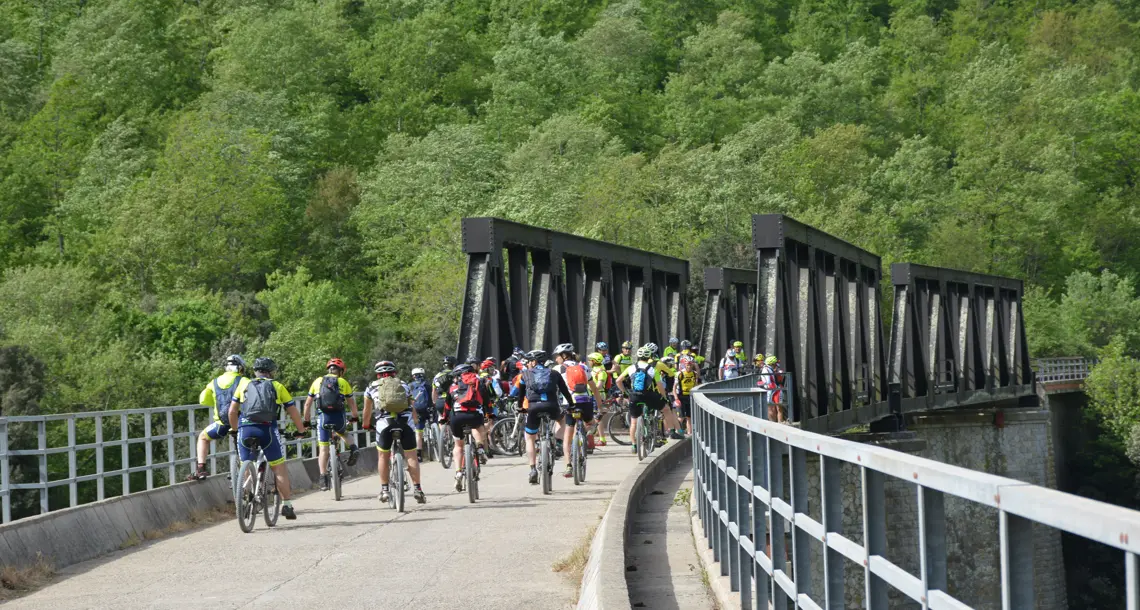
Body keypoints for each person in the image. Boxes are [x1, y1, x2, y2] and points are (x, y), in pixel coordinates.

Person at [227, 357, 307, 520]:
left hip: (245, 429)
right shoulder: (277, 386)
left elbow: (232, 412)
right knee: (279, 468)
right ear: (271, 372)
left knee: (246, 465)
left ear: (255, 371)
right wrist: (301, 430)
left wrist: (236, 430)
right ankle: (287, 505)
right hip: (267, 429)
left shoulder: (243, 384)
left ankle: (245, 494)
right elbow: (293, 411)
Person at [363, 361, 426, 504]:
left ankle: (385, 490)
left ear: (377, 374)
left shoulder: (371, 387)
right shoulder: (404, 385)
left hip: (384, 424)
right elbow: (412, 406)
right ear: (394, 373)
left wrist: (366, 425)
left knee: (383, 456)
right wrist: (415, 421)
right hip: (405, 423)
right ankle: (418, 489)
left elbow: (367, 411)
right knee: (411, 455)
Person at [511, 350, 574, 484]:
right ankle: (557, 441)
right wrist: (572, 405)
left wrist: (520, 407)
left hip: (533, 407)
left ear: (533, 362)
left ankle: (533, 469)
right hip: (552, 406)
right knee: (561, 420)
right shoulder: (554, 373)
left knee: (529, 438)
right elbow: (565, 391)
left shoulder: (525, 374)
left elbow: (521, 395)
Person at [302, 358, 360, 492]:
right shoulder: (342, 382)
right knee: (342, 432)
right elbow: (351, 403)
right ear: (341, 371)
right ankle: (353, 448)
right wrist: (355, 416)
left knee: (323, 449)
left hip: (323, 418)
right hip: (339, 417)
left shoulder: (317, 381)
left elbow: (307, 403)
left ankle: (323, 478)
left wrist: (306, 420)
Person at [187, 355, 247, 481]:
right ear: (240, 368)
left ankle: (201, 469)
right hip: (241, 424)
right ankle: (248, 481)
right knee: (247, 451)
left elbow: (203, 400)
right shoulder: (244, 381)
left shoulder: (214, 382)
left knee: (203, 437)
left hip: (222, 424)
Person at [552, 344, 604, 478]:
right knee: (591, 422)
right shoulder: (584, 367)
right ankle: (588, 431)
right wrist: (600, 407)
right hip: (585, 402)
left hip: (569, 404)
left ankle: (568, 466)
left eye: (558, 356)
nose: (556, 359)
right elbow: (594, 389)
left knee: (567, 438)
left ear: (563, 356)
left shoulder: (557, 369)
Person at [441, 363, 494, 491]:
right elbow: (487, 402)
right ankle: (480, 448)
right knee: (478, 427)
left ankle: (458, 472)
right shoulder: (478, 383)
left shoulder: (453, 387)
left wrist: (444, 418)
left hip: (457, 417)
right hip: (474, 415)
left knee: (458, 445)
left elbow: (447, 407)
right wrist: (490, 415)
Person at [616, 346, 667, 456]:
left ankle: (634, 445)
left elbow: (618, 380)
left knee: (633, 421)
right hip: (648, 396)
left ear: (638, 356)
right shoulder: (652, 369)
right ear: (649, 356)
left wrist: (625, 392)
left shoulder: (631, 368)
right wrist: (664, 397)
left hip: (634, 396)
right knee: (665, 408)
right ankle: (662, 431)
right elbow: (660, 385)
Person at [408, 368, 434, 461]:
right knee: (434, 423)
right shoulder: (428, 385)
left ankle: (419, 454)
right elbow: (432, 397)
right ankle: (437, 440)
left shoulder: (410, 386)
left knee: (418, 433)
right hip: (427, 409)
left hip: (416, 410)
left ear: (413, 376)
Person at [586, 352, 610, 446]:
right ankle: (596, 438)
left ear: (594, 361)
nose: (589, 362)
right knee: (595, 418)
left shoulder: (601, 372)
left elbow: (599, 386)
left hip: (598, 395)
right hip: (593, 395)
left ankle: (602, 439)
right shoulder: (594, 370)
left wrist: (591, 388)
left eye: (590, 360)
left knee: (597, 418)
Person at [674, 357, 700, 435]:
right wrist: (676, 398)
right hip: (681, 396)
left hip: (690, 397)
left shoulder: (694, 374)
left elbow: (696, 385)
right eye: (687, 365)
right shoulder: (680, 374)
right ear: (684, 365)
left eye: (690, 365)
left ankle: (689, 433)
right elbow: (674, 387)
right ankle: (677, 432)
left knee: (689, 417)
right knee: (681, 417)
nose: (689, 367)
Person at [760, 355, 787, 422]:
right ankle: (777, 423)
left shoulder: (768, 369)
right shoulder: (766, 369)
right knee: (774, 408)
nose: (776, 365)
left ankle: (776, 423)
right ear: (772, 364)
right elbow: (768, 382)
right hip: (772, 391)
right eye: (775, 363)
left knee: (775, 408)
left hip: (773, 390)